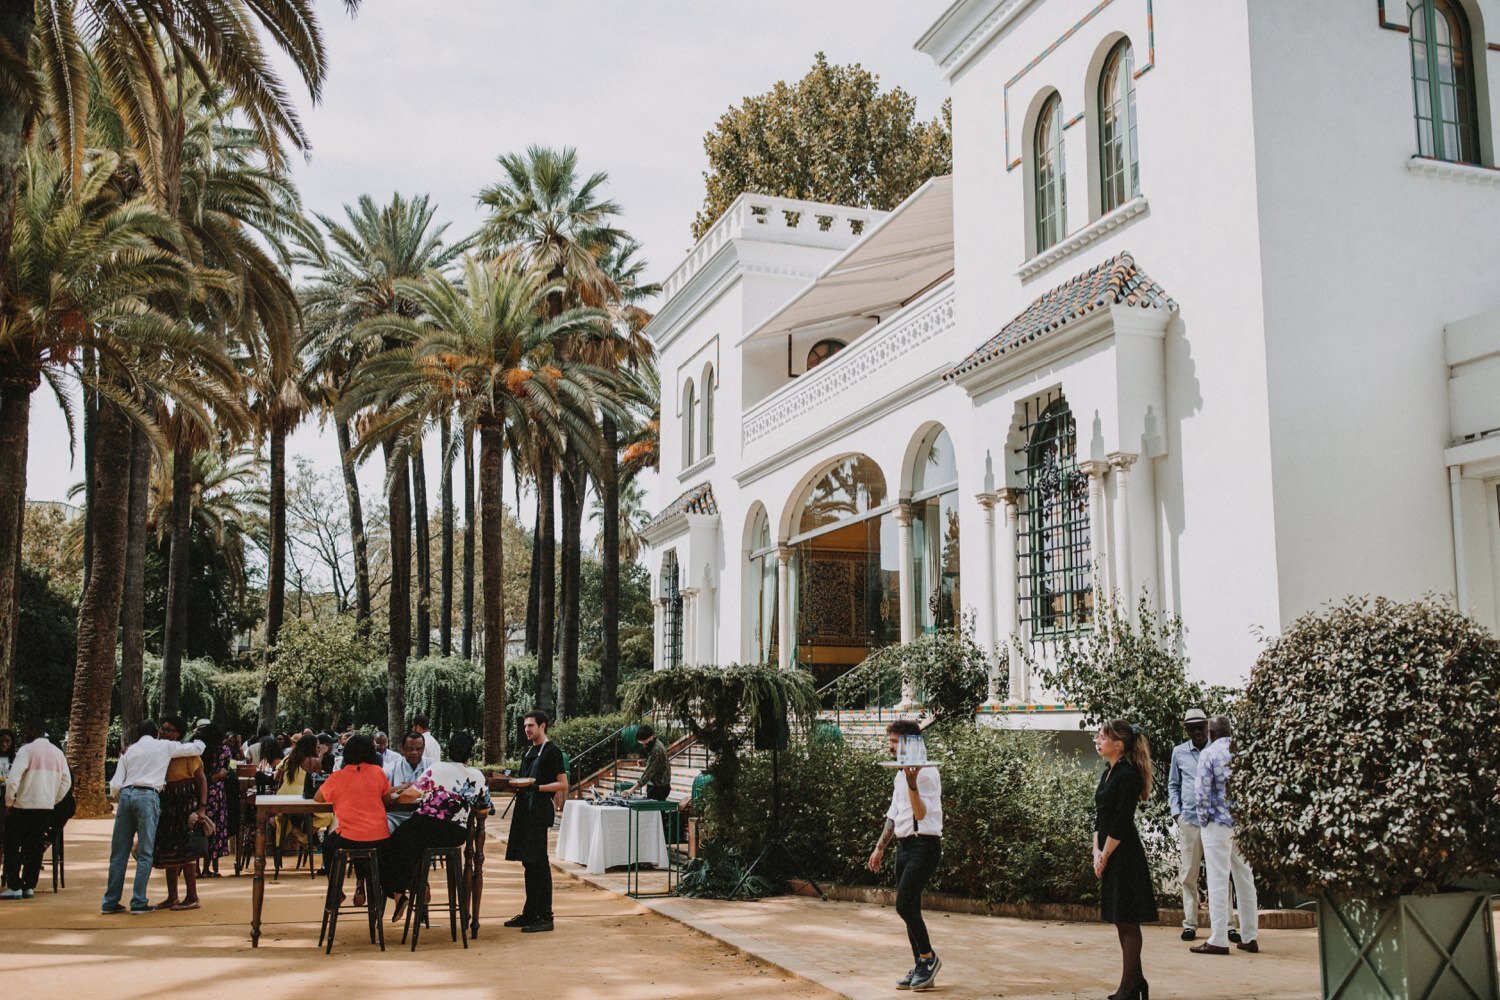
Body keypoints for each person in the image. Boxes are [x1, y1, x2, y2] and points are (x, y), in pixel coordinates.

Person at [866, 719, 943, 991]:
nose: (891, 747)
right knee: (911, 907)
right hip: (904, 846)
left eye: (895, 741)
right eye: (890, 741)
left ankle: (929, 958)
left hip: (925, 845)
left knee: (903, 904)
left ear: (911, 743)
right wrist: (880, 847)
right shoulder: (901, 774)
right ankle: (920, 963)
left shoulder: (927, 774)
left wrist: (912, 785)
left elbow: (920, 814)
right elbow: (894, 814)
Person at [102, 719, 205, 914]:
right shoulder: (165, 746)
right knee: (146, 852)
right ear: (156, 732)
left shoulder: (129, 751)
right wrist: (201, 741)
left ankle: (110, 902)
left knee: (118, 853)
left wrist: (120, 795)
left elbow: (115, 784)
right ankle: (138, 901)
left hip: (126, 795)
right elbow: (198, 748)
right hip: (148, 796)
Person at [385, 731, 492, 903]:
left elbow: (408, 796)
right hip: (456, 835)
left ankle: (399, 891)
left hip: (426, 825)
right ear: (470, 754)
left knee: (393, 844)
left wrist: (397, 795)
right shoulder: (478, 776)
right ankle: (416, 885)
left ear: (448, 751)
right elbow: (484, 808)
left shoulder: (437, 768)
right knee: (414, 846)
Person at [1094, 719, 1158, 1000]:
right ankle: (1137, 982)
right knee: (1121, 920)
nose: (1097, 740)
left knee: (1129, 921)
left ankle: (1129, 988)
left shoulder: (1128, 774)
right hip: (1109, 852)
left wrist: (1104, 855)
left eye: (1102, 736)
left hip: (1125, 855)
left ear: (1117, 745)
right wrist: (1096, 852)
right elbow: (1100, 816)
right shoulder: (1108, 772)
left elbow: (1121, 821)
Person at [1192, 715, 1260, 956]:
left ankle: (1219, 938)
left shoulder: (1208, 755)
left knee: (1217, 880)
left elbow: (1201, 794)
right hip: (1242, 825)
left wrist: (1203, 822)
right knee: (1245, 879)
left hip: (1217, 824)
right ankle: (1250, 936)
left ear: (1211, 733)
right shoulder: (1244, 754)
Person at [314, 734, 396, 908]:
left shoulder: (338, 777)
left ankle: (336, 890)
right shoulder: (378, 773)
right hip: (380, 837)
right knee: (365, 848)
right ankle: (369, 892)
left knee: (329, 845)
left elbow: (317, 798)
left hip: (350, 836)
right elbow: (387, 799)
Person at [1170, 707, 1229, 943]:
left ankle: (1227, 925)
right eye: (1191, 728)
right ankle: (1190, 924)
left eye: (1200, 727)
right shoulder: (1179, 752)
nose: (1196, 731)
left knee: (1221, 873)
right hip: (1190, 821)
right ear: (1186, 730)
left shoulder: (1218, 751)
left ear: (1207, 727)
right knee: (1188, 875)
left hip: (1215, 821)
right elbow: (1173, 784)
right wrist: (1177, 814)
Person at [505, 710, 567, 933]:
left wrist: (537, 787)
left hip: (540, 811)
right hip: (525, 811)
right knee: (528, 862)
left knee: (539, 862)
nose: (527, 730)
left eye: (531, 725)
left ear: (543, 726)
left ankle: (545, 916)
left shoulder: (552, 751)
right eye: (525, 726)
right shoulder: (529, 750)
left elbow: (562, 784)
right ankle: (530, 911)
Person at [1, 723, 71, 899]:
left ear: (32, 732)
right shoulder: (58, 753)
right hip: (45, 808)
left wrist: (9, 802)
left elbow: (12, 780)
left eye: (27, 731)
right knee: (34, 848)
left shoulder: (26, 750)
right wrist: (53, 800)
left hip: (23, 807)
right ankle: (29, 886)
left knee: (11, 844)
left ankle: (15, 885)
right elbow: (66, 782)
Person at [152, 716, 211, 910]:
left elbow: (201, 780)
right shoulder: (161, 752)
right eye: (163, 729)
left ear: (178, 734)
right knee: (169, 850)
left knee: (187, 851)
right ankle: (172, 896)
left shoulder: (189, 755)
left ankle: (192, 896)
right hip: (167, 802)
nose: (164, 733)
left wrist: (202, 807)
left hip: (185, 802)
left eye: (170, 730)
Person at [198, 722, 232, 876]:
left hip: (199, 793)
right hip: (217, 793)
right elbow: (225, 771)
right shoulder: (224, 750)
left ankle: (195, 867)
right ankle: (207, 868)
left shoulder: (200, 751)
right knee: (213, 829)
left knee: (198, 829)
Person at [386, 733, 428, 832]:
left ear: (423, 749)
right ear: (402, 749)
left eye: (418, 749)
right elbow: (381, 792)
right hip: (395, 817)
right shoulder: (390, 768)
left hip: (424, 816)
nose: (414, 752)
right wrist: (401, 788)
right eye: (410, 749)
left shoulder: (432, 767)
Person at [629, 724, 672, 800]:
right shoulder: (655, 744)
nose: (643, 744)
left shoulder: (657, 749)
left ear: (650, 737)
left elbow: (648, 773)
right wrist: (646, 763)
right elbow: (657, 764)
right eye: (641, 742)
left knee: (655, 812)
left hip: (659, 788)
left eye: (644, 741)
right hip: (659, 786)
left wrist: (631, 790)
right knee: (656, 811)